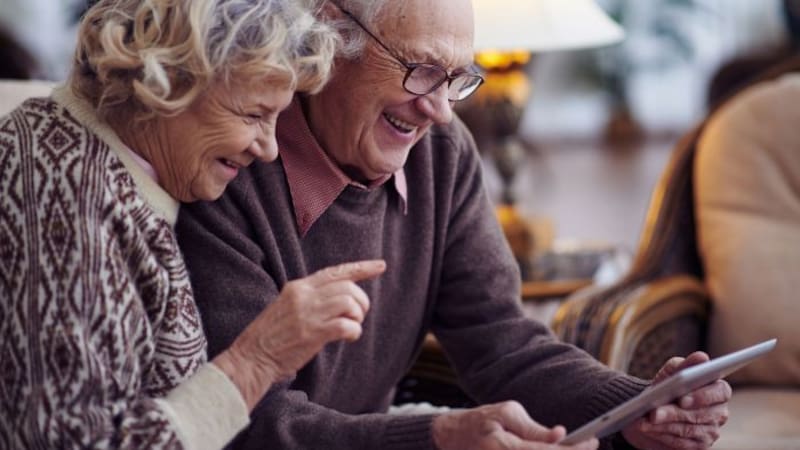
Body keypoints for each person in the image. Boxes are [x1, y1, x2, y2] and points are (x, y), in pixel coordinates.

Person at [177, 0, 732, 449]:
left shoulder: (440, 153)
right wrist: (435, 438)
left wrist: (634, 407)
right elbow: (248, 423)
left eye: (457, 79)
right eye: (421, 71)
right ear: (329, 36)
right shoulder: (228, 168)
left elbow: (504, 344)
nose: (440, 109)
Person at [0, 0, 387, 449]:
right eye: (254, 114)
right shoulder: (65, 196)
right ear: (165, 81)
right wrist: (255, 361)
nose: (269, 149)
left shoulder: (120, 171)